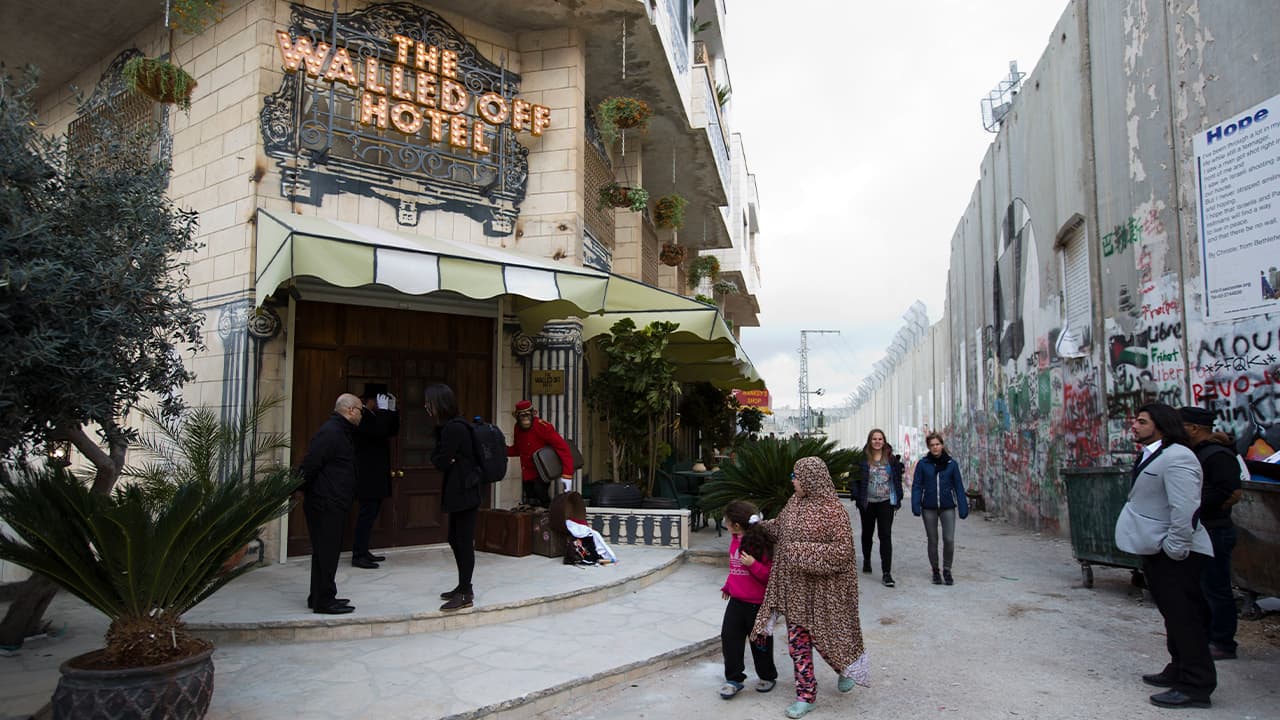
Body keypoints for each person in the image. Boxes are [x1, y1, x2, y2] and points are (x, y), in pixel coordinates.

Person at [750, 457, 869, 719]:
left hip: (825, 592)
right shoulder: (794, 504)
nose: (793, 480)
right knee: (798, 643)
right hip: (796, 591)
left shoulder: (833, 511)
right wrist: (760, 526)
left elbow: (843, 552)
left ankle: (842, 667)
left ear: (811, 479)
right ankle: (806, 695)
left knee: (827, 640)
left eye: (796, 475)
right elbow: (780, 529)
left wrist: (798, 552)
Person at [1115, 403, 1216, 709]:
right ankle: (1178, 668)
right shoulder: (1155, 454)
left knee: (1185, 618)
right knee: (1173, 616)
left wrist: (1175, 548)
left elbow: (1185, 509)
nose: (1135, 426)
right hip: (1160, 549)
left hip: (1178, 552)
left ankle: (1196, 685)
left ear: (1160, 426)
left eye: (1142, 421)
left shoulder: (1178, 457)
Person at [1179, 406, 1243, 661]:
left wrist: (1195, 505)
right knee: (1202, 588)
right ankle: (1207, 636)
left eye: (1181, 425)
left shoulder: (1217, 455)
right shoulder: (1196, 453)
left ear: (1194, 428)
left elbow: (1232, 493)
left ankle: (1223, 642)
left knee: (1216, 588)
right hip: (1202, 529)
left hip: (1216, 530)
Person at [298, 393, 364, 615]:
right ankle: (323, 601)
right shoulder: (331, 432)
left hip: (332, 501)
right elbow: (310, 464)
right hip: (325, 503)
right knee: (326, 552)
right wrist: (299, 489)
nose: (362, 416)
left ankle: (319, 595)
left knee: (326, 552)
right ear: (351, 410)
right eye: (361, 410)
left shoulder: (340, 432)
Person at [426, 383, 483, 611]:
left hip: (464, 492)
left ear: (439, 404)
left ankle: (466, 592)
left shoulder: (454, 429)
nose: (426, 407)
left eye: (429, 402)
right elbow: (441, 458)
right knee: (455, 539)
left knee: (463, 542)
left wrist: (444, 459)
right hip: (463, 490)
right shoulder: (451, 427)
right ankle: (462, 586)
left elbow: (440, 461)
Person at [718, 500, 778, 699]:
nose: (724, 522)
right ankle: (734, 678)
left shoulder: (759, 543)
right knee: (729, 637)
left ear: (736, 524)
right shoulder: (734, 539)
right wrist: (729, 585)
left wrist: (753, 564)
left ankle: (767, 675)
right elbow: (734, 568)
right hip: (736, 601)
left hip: (757, 604)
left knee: (760, 642)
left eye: (726, 520)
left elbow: (769, 576)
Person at [350, 384, 399, 570]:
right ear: (371, 400)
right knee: (366, 515)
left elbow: (390, 431)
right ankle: (358, 554)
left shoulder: (377, 416)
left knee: (371, 514)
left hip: (377, 473)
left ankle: (364, 550)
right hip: (367, 474)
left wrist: (393, 412)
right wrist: (384, 413)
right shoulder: (362, 416)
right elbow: (377, 431)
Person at [911, 432, 968, 585]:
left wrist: (963, 506)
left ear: (942, 445)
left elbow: (958, 486)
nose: (935, 447)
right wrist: (916, 504)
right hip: (928, 507)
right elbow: (917, 485)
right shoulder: (923, 464)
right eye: (932, 445)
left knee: (949, 539)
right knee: (933, 540)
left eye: (937, 444)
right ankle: (935, 570)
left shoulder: (951, 464)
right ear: (929, 447)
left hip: (947, 507)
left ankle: (947, 569)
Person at [855, 429, 904, 587]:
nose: (877, 441)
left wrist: (899, 496)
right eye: (874, 439)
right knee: (867, 533)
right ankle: (867, 559)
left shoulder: (890, 459)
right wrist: (857, 496)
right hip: (868, 502)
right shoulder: (863, 459)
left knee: (885, 535)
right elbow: (855, 479)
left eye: (880, 439)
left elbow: (897, 479)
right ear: (870, 441)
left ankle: (886, 573)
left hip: (885, 501)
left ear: (884, 441)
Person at [506, 399, 574, 507]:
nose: (525, 419)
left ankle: (550, 517)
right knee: (530, 502)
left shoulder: (543, 427)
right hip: (527, 473)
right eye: (522, 416)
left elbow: (563, 448)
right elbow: (518, 449)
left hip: (541, 472)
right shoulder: (517, 428)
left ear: (533, 414)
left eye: (527, 415)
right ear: (517, 417)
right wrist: (502, 450)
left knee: (542, 498)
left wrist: (567, 474)